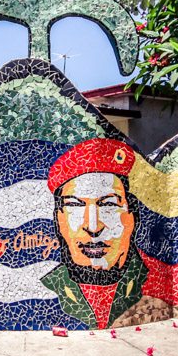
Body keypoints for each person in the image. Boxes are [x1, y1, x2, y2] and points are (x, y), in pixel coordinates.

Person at [41, 138, 150, 329]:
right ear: (59, 219)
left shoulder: (154, 284)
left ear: (132, 216)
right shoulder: (45, 288)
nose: (92, 227)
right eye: (74, 204)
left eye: (108, 204)